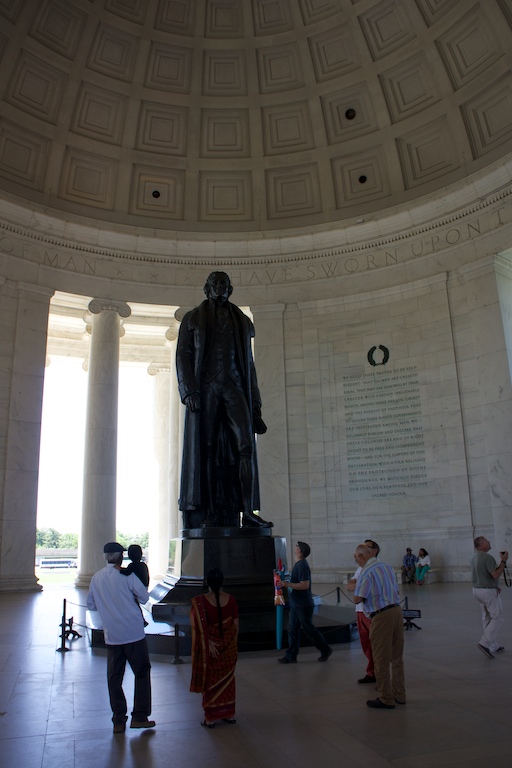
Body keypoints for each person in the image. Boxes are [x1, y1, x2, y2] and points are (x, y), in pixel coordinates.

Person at [176, 271, 272, 530]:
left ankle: (248, 511)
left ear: (230, 288)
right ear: (207, 288)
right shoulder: (193, 318)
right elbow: (183, 356)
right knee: (205, 450)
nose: (220, 287)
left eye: (224, 284)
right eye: (215, 284)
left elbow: (249, 364)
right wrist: (189, 391)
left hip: (235, 388)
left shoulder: (241, 320)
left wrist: (255, 405)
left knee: (245, 447)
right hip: (206, 389)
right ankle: (209, 511)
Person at [86, 542, 155, 733]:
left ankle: (118, 720)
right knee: (141, 673)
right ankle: (139, 716)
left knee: (114, 678)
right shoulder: (128, 576)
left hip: (113, 635)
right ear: (120, 557)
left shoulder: (96, 578)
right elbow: (144, 597)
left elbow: (90, 604)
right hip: (133, 633)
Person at [353, 543, 405, 709]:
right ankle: (400, 694)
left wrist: (352, 588)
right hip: (396, 611)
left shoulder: (366, 572)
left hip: (381, 616)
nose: (357, 562)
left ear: (361, 556)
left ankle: (386, 698)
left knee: (380, 659)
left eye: (356, 559)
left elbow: (358, 598)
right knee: (396, 657)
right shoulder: (386, 566)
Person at [190, 568, 239, 727]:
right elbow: (235, 625)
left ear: (207, 583)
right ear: (223, 582)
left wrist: (208, 643)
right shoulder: (231, 600)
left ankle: (210, 718)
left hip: (210, 648)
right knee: (228, 682)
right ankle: (229, 714)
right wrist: (232, 645)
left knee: (210, 683)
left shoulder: (200, 602)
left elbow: (197, 628)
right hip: (228, 648)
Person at [276, 541, 332, 664]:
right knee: (292, 629)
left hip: (303, 604)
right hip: (296, 604)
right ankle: (291, 656)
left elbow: (304, 585)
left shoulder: (302, 566)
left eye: (297, 547)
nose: (295, 548)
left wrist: (287, 584)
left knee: (308, 629)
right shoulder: (299, 564)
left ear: (299, 551)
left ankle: (325, 649)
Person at [347, 539, 380, 684]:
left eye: (367, 547)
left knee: (377, 644)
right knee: (366, 644)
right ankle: (372, 672)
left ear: (374, 551)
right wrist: (357, 585)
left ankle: (379, 674)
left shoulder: (377, 567)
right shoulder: (360, 568)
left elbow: (360, 591)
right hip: (360, 611)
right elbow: (349, 585)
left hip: (371, 611)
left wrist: (357, 585)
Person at [471, 536, 509, 659]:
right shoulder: (487, 558)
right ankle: (485, 642)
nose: (489, 542)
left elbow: (483, 575)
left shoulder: (474, 557)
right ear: (482, 544)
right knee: (497, 617)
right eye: (487, 541)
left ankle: (493, 645)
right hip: (487, 592)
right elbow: (495, 574)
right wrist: (503, 561)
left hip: (477, 590)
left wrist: (494, 586)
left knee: (486, 617)